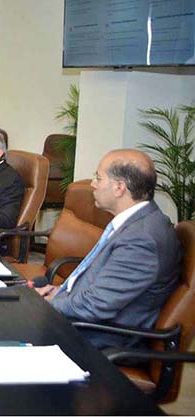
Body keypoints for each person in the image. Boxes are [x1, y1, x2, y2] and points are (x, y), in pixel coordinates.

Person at [36, 149, 180, 349]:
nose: (93, 184)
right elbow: (104, 284)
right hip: (84, 319)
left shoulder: (141, 239)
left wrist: (43, 304)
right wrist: (60, 291)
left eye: (98, 178)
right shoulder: (136, 222)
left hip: (98, 336)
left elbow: (94, 306)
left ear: (119, 187)